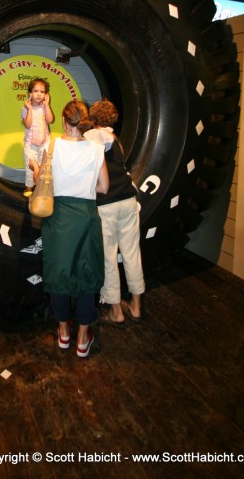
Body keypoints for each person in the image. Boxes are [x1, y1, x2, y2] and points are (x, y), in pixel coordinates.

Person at [29, 100, 109, 357]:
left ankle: (64, 333)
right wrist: (84, 188)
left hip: (59, 218)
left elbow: (42, 181)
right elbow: (104, 187)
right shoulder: (97, 148)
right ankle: (83, 338)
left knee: (59, 274)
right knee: (87, 276)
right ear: (84, 121)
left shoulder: (52, 146)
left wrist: (34, 169)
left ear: (64, 121)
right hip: (86, 217)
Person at [85, 100, 145, 324]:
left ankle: (116, 311)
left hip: (105, 204)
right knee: (132, 253)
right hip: (128, 200)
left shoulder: (89, 139)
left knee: (109, 257)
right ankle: (136, 306)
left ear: (93, 117)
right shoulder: (117, 141)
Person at [21, 77, 54, 197]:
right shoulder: (25, 109)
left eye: (42, 91)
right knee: (30, 166)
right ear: (30, 93)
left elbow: (50, 120)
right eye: (35, 91)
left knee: (43, 167)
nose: (39, 94)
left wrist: (47, 105)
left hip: (44, 142)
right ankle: (29, 188)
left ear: (46, 94)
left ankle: (41, 190)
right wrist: (29, 109)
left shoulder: (44, 108)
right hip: (30, 144)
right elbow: (28, 124)